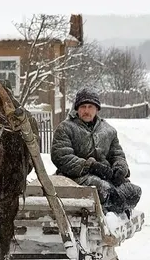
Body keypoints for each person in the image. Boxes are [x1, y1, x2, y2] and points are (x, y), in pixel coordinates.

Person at [51, 87, 142, 215]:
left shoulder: (108, 130)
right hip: (76, 177)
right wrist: (91, 166)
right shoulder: (66, 128)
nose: (86, 110)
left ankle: (115, 213)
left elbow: (117, 154)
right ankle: (107, 215)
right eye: (83, 106)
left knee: (133, 192)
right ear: (77, 108)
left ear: (97, 109)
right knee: (104, 190)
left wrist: (120, 169)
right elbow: (61, 156)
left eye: (90, 107)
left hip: (106, 175)